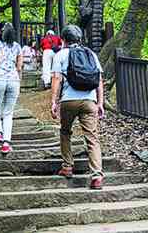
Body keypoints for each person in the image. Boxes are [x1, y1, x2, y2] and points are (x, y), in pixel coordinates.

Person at [51, 24, 105, 189]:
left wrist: (54, 101)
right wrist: (100, 102)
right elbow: (99, 80)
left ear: (63, 40)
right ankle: (97, 176)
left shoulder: (60, 55)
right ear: (80, 39)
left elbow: (57, 79)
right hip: (89, 101)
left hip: (69, 101)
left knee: (65, 131)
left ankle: (67, 167)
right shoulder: (90, 54)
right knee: (92, 137)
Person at [0, 22, 23, 154]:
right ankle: (6, 143)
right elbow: (19, 67)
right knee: (8, 113)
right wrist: (18, 81)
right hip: (13, 80)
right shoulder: (17, 46)